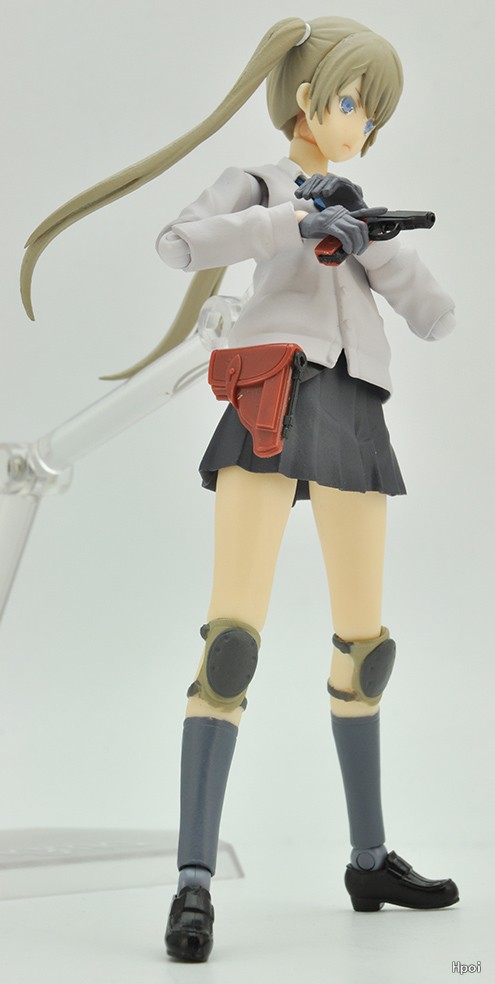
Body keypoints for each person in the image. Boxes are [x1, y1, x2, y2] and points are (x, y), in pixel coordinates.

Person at [20, 16, 459, 965]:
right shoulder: (259, 184)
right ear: (307, 98)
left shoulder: (361, 205)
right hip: (270, 400)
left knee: (366, 651)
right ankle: (192, 882)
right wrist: (295, 222)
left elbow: (436, 317)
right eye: (354, 102)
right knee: (230, 647)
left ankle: (368, 862)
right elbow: (179, 243)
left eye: (373, 113)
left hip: (353, 410)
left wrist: (370, 238)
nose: (362, 124)